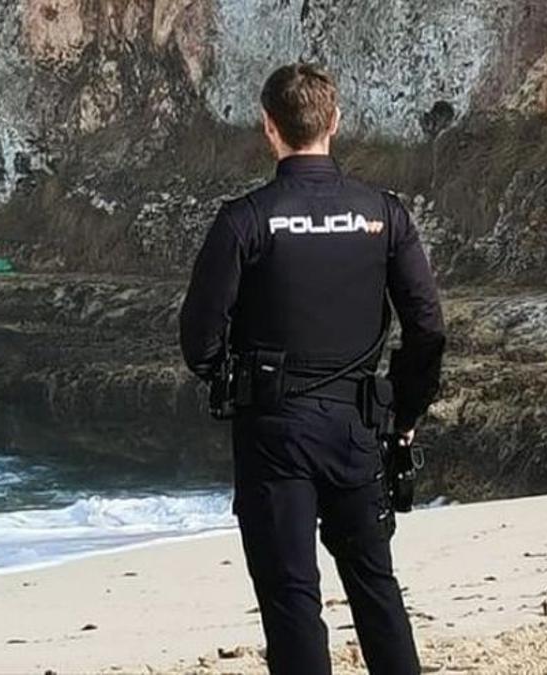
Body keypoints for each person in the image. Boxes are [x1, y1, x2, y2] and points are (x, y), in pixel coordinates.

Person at [179, 63, 445, 674]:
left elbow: (199, 339)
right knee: (375, 583)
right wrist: (405, 414)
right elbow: (427, 326)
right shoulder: (384, 214)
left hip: (273, 428)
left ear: (269, 127)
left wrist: (231, 379)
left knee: (291, 595)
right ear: (336, 122)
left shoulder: (246, 219)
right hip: (358, 425)